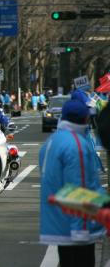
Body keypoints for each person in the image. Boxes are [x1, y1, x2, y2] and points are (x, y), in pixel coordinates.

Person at [39, 99, 105, 267]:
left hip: (58, 223)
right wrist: (82, 231)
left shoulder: (52, 141)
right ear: (84, 119)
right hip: (77, 228)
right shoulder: (76, 144)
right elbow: (79, 188)